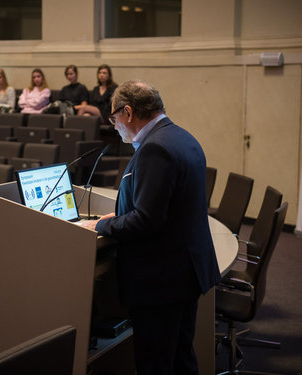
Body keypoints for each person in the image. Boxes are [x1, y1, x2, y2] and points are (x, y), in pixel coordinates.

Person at [80, 81, 221, 374]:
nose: (114, 124)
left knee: (155, 363)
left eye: (113, 117)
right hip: (185, 269)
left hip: (162, 279)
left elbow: (147, 219)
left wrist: (105, 225)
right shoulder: (182, 136)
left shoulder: (154, 148)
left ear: (128, 112)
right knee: (181, 357)